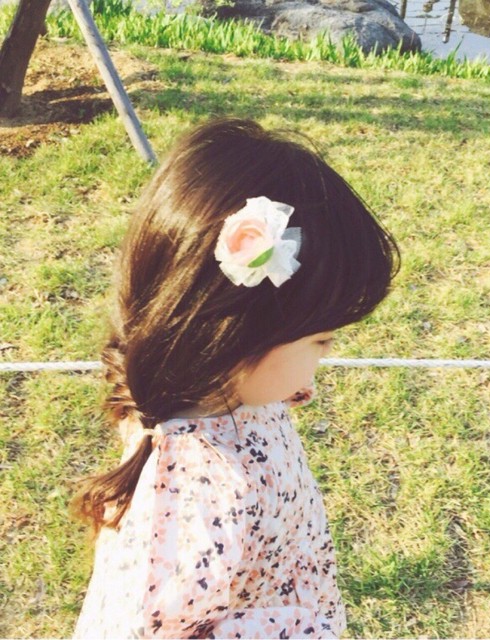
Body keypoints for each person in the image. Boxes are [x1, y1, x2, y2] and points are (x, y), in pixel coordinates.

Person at [72, 118, 399, 639]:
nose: (327, 355)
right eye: (320, 341)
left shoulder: (232, 394)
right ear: (238, 338)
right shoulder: (197, 498)